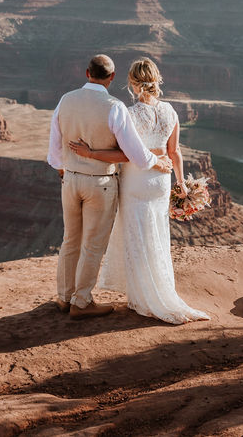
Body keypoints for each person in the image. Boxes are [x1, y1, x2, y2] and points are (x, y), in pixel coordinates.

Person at [69, 57, 209, 324]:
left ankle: (143, 298)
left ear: (133, 84)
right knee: (156, 235)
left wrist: (90, 152)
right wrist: (181, 186)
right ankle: (160, 292)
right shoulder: (170, 111)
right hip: (161, 183)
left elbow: (124, 155)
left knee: (138, 236)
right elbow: (174, 152)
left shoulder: (129, 114)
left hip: (136, 182)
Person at [47, 54, 171, 320]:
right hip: (100, 183)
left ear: (86, 73)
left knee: (70, 240)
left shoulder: (65, 100)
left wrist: (65, 169)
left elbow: (54, 147)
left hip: (69, 180)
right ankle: (82, 302)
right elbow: (135, 154)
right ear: (112, 77)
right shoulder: (115, 107)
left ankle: (64, 297)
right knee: (92, 245)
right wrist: (157, 161)